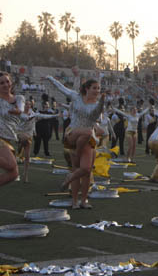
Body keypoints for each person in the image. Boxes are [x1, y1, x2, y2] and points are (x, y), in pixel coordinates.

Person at [46, 72, 105, 209]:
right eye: (94, 88)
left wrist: (101, 102)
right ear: (86, 88)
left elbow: (95, 115)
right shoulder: (76, 97)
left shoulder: (96, 105)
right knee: (88, 132)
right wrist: (50, 77)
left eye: (99, 89)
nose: (97, 91)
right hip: (73, 133)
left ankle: (82, 200)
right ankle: (74, 201)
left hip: (87, 139)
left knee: (85, 170)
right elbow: (62, 88)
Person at [17, 101, 59, 182]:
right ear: (23, 105)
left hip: (29, 134)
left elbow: (44, 116)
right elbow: (26, 118)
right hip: (21, 132)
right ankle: (20, 147)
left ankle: (25, 175)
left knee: (27, 157)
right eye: (26, 104)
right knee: (24, 139)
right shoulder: (21, 113)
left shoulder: (33, 113)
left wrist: (56, 115)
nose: (27, 106)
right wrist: (35, 116)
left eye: (29, 104)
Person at [0, 72, 25, 186]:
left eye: (7, 81)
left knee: (14, 174)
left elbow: (20, 109)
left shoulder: (19, 98)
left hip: (9, 139)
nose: (5, 84)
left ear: (11, 82)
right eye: (1, 83)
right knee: (11, 165)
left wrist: (18, 111)